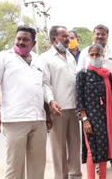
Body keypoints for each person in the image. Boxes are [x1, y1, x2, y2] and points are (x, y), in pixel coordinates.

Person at [0, 26, 51, 179]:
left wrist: (48, 115)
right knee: (15, 168)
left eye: (25, 39)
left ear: (33, 43)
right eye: (18, 39)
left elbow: (42, 87)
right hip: (15, 120)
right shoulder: (3, 57)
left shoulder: (38, 60)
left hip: (38, 120)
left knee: (38, 166)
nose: (21, 42)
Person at [76, 24, 112, 171]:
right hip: (93, 103)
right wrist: (83, 112)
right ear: (93, 35)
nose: (100, 36)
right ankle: (97, 161)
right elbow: (80, 79)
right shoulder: (86, 52)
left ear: (107, 36)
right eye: (97, 34)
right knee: (95, 134)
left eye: (103, 34)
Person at [41, 26, 82, 179]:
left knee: (74, 147)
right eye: (64, 36)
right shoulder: (45, 58)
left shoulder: (70, 56)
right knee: (58, 150)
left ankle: (76, 175)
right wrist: (51, 101)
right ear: (54, 39)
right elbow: (44, 83)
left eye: (69, 37)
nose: (68, 39)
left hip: (73, 109)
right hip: (57, 109)